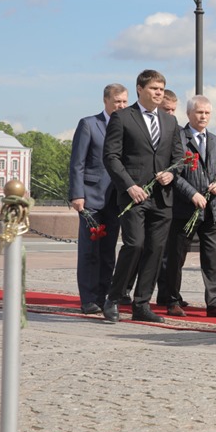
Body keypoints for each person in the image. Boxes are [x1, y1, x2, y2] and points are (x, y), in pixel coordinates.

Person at [102, 69, 183, 324]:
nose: (159, 93)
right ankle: (114, 298)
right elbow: (111, 156)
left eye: (161, 89)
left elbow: (179, 158)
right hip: (133, 196)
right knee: (134, 245)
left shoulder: (170, 122)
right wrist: (128, 186)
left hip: (162, 198)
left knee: (155, 250)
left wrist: (172, 174)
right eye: (154, 89)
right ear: (140, 89)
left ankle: (142, 304)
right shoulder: (123, 118)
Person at [161, 95, 216, 319]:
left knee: (212, 258)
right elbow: (173, 172)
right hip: (185, 209)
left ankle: (214, 302)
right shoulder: (178, 139)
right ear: (189, 114)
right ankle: (172, 299)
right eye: (199, 112)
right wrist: (192, 193)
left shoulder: (215, 141)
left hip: (212, 209)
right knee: (176, 257)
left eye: (207, 113)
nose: (203, 117)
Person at [68, 83, 128, 314]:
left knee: (108, 250)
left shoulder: (127, 127)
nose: (121, 106)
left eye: (124, 101)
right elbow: (77, 162)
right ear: (106, 101)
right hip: (91, 198)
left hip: (116, 199)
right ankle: (88, 299)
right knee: (89, 251)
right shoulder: (89, 124)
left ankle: (105, 296)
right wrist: (77, 194)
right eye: (117, 102)